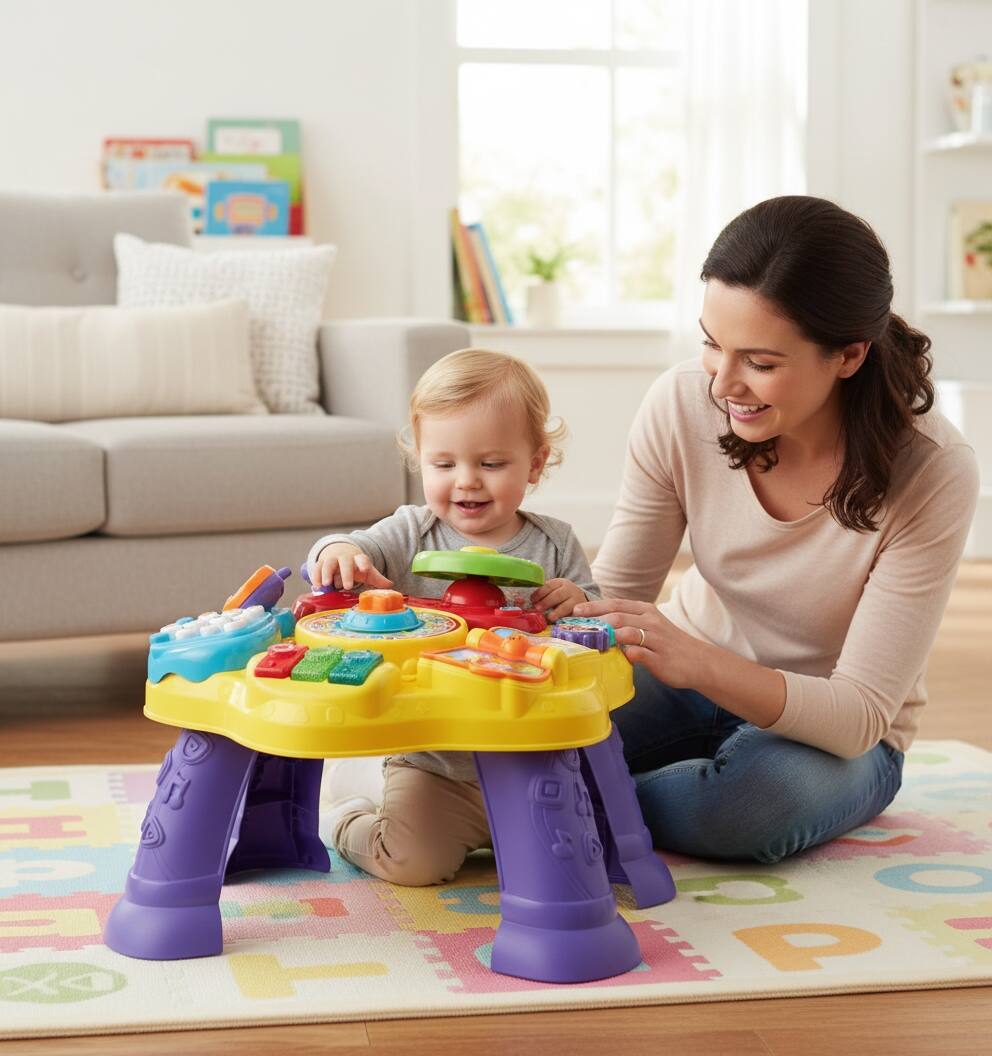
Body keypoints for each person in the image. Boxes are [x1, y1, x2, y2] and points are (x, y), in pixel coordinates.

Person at [573, 195, 980, 864]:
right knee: (525, 732)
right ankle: (577, 796)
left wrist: (701, 662)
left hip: (832, 732)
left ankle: (568, 804)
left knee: (745, 811)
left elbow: (857, 717)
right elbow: (610, 593)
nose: (722, 383)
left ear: (848, 355)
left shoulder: (932, 470)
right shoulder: (680, 405)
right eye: (710, 343)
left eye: (760, 363)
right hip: (682, 677)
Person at [306, 347, 599, 885]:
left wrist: (575, 602)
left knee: (578, 865)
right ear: (421, 459)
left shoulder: (555, 543)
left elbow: (591, 629)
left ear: (535, 463)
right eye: (444, 464)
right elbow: (347, 544)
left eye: (490, 464)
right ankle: (346, 819)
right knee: (413, 862)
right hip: (438, 768)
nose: (466, 481)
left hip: (534, 759)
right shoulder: (409, 532)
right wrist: (336, 554)